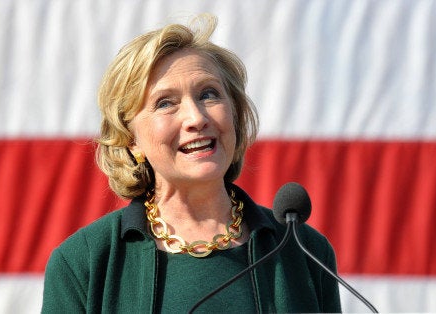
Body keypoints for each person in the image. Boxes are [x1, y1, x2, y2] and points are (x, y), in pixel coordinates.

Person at [42, 14, 342, 313]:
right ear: (131, 138)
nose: (197, 118)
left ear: (235, 115)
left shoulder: (306, 251)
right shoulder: (83, 262)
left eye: (208, 94)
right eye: (165, 103)